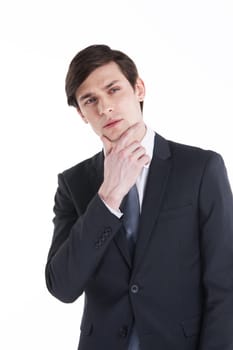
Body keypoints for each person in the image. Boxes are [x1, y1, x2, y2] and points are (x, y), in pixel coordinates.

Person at [45, 44, 233, 350]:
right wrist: (109, 196)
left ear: (139, 88)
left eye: (113, 89)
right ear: (81, 114)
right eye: (90, 100)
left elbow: (225, 284)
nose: (104, 107)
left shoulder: (200, 169)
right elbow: (62, 287)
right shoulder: (74, 184)